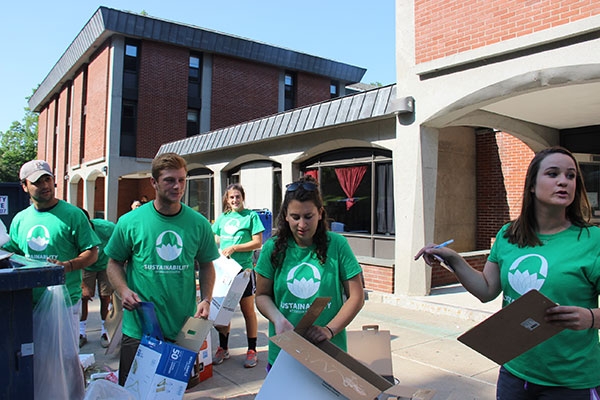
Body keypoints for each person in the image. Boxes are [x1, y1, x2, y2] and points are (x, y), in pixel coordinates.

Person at [415, 146, 600, 399]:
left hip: (570, 382)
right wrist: (454, 259)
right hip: (514, 372)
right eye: (553, 173)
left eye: (570, 176)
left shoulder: (592, 240)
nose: (563, 181)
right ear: (532, 185)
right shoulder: (508, 234)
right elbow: (486, 290)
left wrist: (591, 318)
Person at [106, 152, 219, 386]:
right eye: (169, 180)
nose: (177, 186)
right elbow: (114, 263)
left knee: (173, 391)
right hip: (139, 329)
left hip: (182, 330)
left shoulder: (198, 224)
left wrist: (206, 299)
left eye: (181, 180)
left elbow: (207, 265)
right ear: (154, 182)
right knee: (133, 392)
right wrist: (123, 290)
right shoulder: (130, 221)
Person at [255, 175, 364, 369]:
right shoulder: (272, 248)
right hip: (284, 352)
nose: (302, 225)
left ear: (320, 213)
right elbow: (262, 295)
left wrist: (330, 330)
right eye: (295, 217)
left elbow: (356, 296)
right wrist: (278, 319)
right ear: (286, 216)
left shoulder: (337, 245)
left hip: (329, 353)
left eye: (308, 216)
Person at [2, 160, 100, 345]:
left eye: (47, 179)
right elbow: (12, 252)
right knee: (33, 360)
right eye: (37, 182)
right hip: (28, 301)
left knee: (66, 360)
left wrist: (68, 266)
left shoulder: (73, 215)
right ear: (24, 186)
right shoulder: (20, 219)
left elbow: (92, 252)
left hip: (64, 303)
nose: (45, 186)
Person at [211, 183, 264, 368]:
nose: (235, 200)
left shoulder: (251, 216)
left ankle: (252, 350)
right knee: (223, 311)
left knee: (248, 311)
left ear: (243, 197)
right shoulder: (223, 218)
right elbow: (213, 237)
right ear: (227, 199)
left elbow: (257, 242)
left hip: (243, 272)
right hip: (225, 272)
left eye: (237, 196)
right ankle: (223, 348)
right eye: (231, 197)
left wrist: (235, 247)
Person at [78, 208, 116, 349]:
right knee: (84, 297)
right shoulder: (75, 231)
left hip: (104, 264)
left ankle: (105, 330)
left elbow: (119, 239)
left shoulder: (106, 228)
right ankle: (81, 332)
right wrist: (82, 284)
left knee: (105, 296)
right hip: (86, 266)